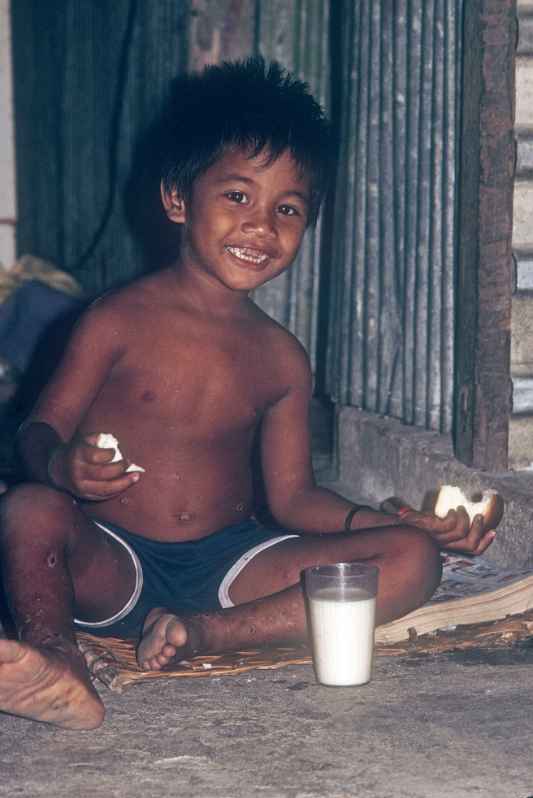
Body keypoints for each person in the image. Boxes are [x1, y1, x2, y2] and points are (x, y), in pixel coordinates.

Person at [0, 58, 495, 731]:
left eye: (286, 209)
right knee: (28, 511)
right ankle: (55, 660)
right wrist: (62, 467)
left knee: (412, 560)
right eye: (237, 196)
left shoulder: (281, 358)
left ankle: (204, 633)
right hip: (110, 557)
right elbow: (37, 432)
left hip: (230, 566)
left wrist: (394, 524)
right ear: (177, 200)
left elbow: (293, 499)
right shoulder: (115, 319)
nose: (261, 225)